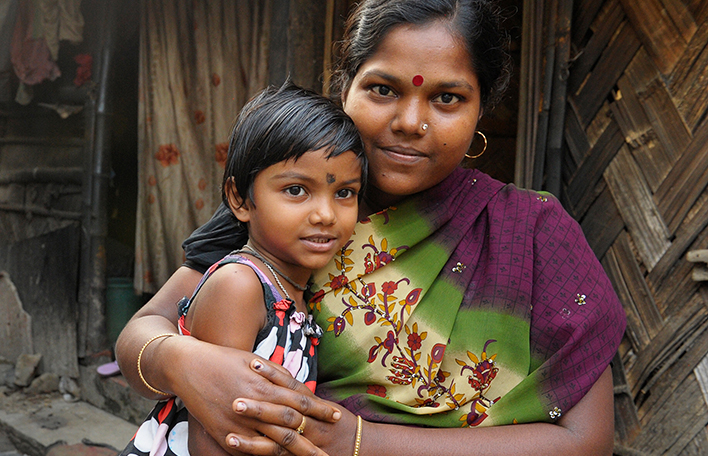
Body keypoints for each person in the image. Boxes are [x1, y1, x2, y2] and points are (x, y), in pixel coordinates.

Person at [115, 0, 626, 455]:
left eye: (447, 98)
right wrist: (184, 362)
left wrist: (362, 441)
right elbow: (141, 332)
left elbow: (586, 440)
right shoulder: (286, 214)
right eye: (383, 89)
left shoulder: (530, 233)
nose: (409, 120)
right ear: (345, 87)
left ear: (480, 112)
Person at [120, 83, 365, 456]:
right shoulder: (241, 285)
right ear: (239, 199)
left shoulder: (292, 288)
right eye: (296, 190)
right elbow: (215, 436)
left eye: (345, 192)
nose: (326, 215)